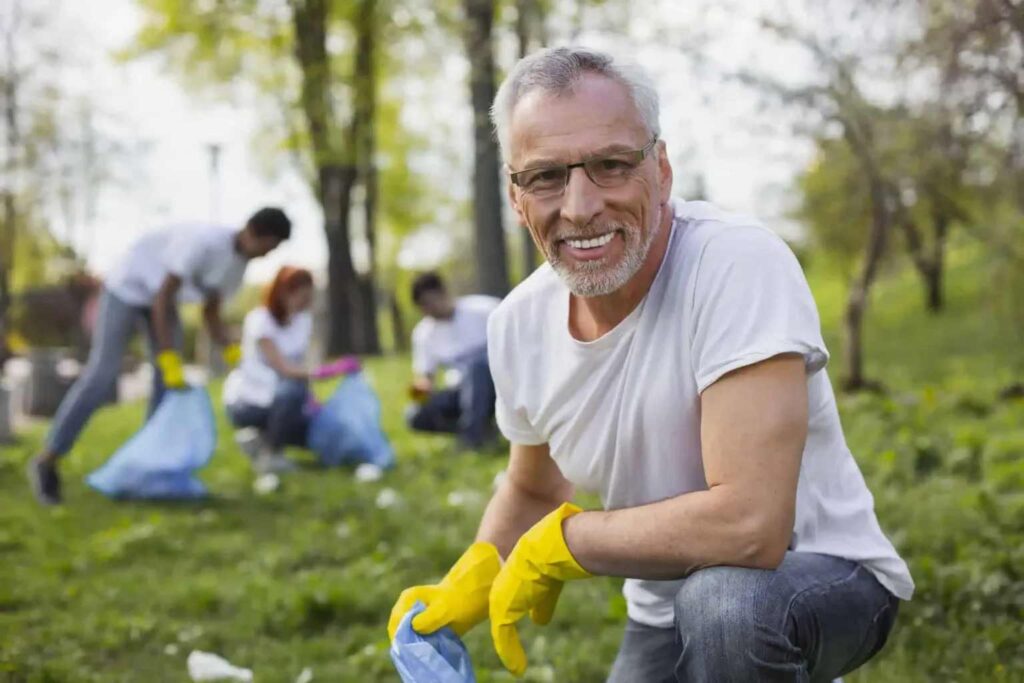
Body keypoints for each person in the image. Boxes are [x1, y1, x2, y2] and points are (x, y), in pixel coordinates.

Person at [389, 47, 914, 682]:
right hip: (661, 611)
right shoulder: (517, 324)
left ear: (660, 169)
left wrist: (569, 543)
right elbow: (533, 485)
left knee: (724, 602)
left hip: (822, 576)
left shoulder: (734, 263)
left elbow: (752, 527)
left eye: (610, 165)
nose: (580, 207)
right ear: (515, 196)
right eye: (546, 176)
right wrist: (475, 574)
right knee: (703, 604)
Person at [27, 207, 292, 505]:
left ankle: (146, 469)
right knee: (102, 376)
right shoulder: (204, 243)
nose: (271, 253)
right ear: (256, 233)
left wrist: (229, 347)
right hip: (126, 291)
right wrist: (168, 358)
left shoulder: (238, 265)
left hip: (162, 301)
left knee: (166, 388)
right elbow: (162, 299)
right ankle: (46, 461)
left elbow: (211, 309)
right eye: (273, 244)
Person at [223, 266, 356, 473]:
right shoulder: (260, 321)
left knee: (314, 430)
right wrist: (327, 372)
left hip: (282, 400)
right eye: (303, 297)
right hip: (248, 401)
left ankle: (257, 440)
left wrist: (311, 401)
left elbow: (299, 364)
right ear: (284, 292)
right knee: (294, 388)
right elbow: (284, 369)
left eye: (309, 298)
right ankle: (271, 456)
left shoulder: (302, 321)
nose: (307, 303)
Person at [406, 272, 500, 449]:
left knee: (477, 366)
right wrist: (421, 389)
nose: (429, 309)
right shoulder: (424, 333)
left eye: (430, 302)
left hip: (497, 384)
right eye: (423, 306)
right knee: (414, 415)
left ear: (443, 293)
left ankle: (472, 438)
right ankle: (482, 429)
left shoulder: (484, 309)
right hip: (459, 390)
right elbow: (426, 375)